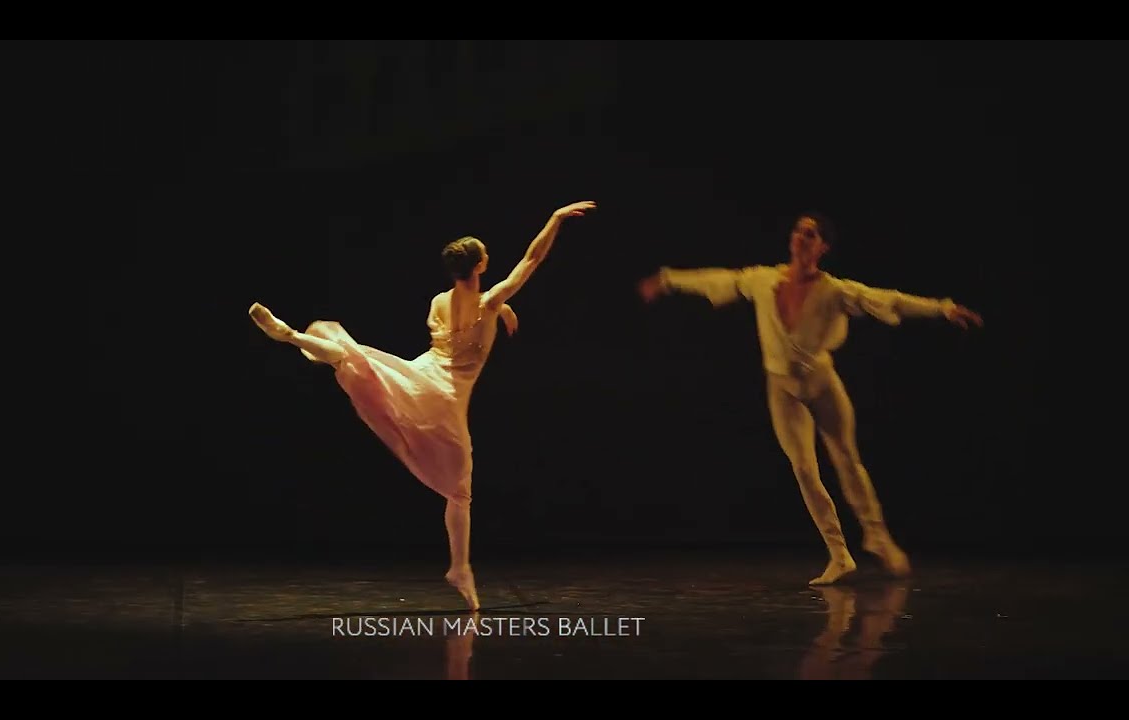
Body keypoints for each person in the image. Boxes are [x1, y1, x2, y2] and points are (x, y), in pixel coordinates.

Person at [249, 200, 598, 610]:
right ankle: (460, 567)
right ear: (481, 264)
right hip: (445, 395)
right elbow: (532, 258)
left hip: (418, 375)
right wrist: (555, 220)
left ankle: (291, 336)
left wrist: (500, 306)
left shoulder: (439, 301)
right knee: (460, 492)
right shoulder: (489, 301)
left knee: (355, 360)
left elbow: (460, 323)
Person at [638, 212, 982, 585]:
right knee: (804, 468)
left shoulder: (834, 290)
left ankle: (877, 537)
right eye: (798, 232)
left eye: (811, 233)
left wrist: (942, 308)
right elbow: (719, 279)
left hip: (821, 382)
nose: (801, 238)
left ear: (823, 247)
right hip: (782, 388)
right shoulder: (764, 280)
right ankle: (839, 555)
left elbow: (889, 301)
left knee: (847, 459)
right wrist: (669, 279)